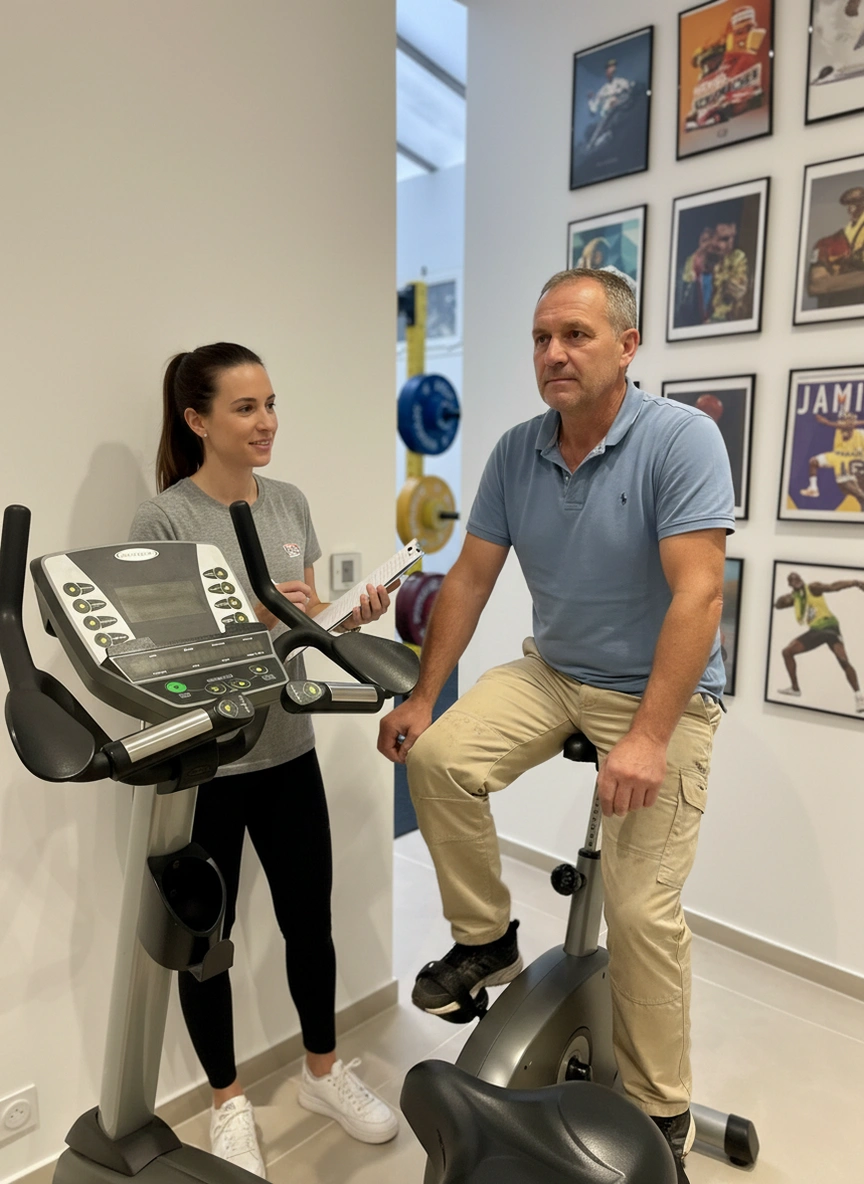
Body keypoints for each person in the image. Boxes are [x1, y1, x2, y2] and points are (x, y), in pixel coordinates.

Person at [378, 268, 734, 1184]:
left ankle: (661, 1114)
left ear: (627, 346)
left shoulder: (680, 440)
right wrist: (423, 696)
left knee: (639, 910)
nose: (554, 354)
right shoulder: (515, 452)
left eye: (576, 335)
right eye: (542, 339)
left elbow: (699, 594)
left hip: (659, 693)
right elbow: (469, 578)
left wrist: (647, 736)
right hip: (554, 672)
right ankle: (485, 936)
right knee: (440, 757)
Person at [129, 343, 398, 1178]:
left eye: (271, 403)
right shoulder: (165, 521)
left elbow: (298, 630)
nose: (267, 421)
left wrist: (345, 617)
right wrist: (260, 618)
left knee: (309, 922)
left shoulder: (288, 503)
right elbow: (163, 659)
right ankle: (227, 1101)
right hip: (207, 767)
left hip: (286, 749)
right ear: (197, 420)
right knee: (208, 942)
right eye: (245, 407)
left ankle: (322, 1072)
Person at [774, 571, 864, 713]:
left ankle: (859, 697)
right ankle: (795, 689)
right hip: (816, 631)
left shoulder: (812, 588)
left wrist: (854, 582)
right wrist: (788, 597)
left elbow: (833, 587)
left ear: (801, 579)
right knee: (787, 652)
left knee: (843, 660)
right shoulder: (797, 598)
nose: (796, 581)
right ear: (790, 584)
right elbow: (778, 605)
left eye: (798, 578)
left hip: (829, 628)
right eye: (792, 580)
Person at [807, 185, 864, 309]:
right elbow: (817, 285)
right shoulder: (827, 243)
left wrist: (838, 280)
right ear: (851, 209)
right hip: (834, 314)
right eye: (857, 206)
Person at [799, 410, 864, 509]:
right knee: (813, 461)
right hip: (837, 457)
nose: (844, 423)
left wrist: (827, 422)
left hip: (854, 462)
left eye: (848, 420)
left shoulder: (860, 434)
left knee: (857, 491)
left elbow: (849, 426)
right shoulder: (840, 429)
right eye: (843, 420)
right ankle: (813, 488)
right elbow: (845, 426)